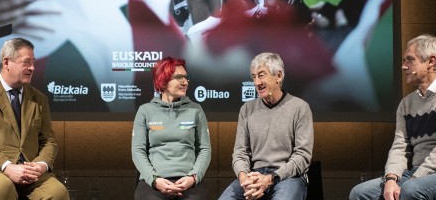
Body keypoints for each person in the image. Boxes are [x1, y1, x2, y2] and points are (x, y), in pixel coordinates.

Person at [349, 34, 436, 200]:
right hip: (419, 173)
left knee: (411, 190)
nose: (403, 66)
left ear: (431, 62)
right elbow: (400, 147)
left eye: (409, 60)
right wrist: (391, 179)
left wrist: (413, 179)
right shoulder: (406, 104)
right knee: (360, 193)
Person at [0, 37, 69, 200]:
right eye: (26, 62)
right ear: (7, 63)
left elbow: (49, 141)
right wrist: (7, 167)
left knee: (58, 192)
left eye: (33, 62)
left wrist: (40, 165)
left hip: (30, 172)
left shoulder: (39, 99)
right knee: (2, 187)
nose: (32, 68)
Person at [219, 52, 313, 200]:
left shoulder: (300, 108)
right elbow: (240, 153)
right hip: (254, 175)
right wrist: (244, 178)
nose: (256, 82)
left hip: (288, 177)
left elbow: (302, 156)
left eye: (261, 75)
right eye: (253, 76)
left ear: (279, 76)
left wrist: (271, 178)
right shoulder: (247, 109)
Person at [132, 56, 211, 199]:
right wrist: (154, 180)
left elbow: (205, 149)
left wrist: (193, 177)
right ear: (163, 79)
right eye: (179, 77)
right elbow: (138, 151)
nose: (185, 82)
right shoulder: (145, 111)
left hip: (188, 182)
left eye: (186, 77)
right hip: (154, 183)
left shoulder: (196, 110)